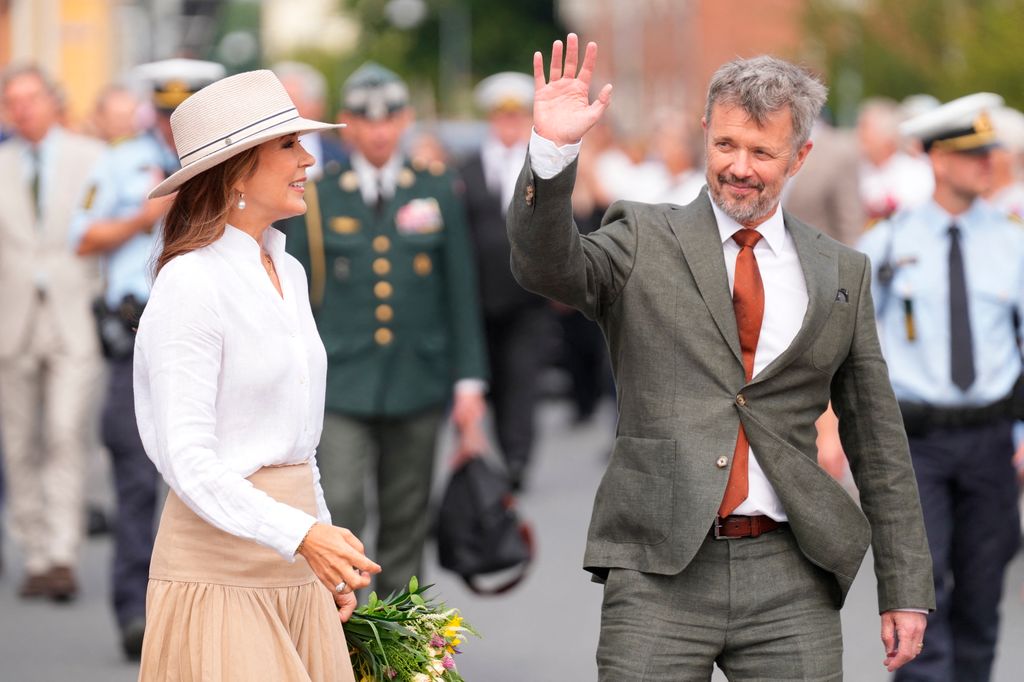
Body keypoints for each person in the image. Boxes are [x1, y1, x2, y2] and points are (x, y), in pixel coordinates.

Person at [508, 35, 934, 679]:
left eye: (763, 152)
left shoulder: (841, 272)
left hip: (792, 575)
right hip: (657, 568)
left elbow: (878, 440)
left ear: (800, 157)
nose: (740, 166)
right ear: (706, 131)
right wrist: (552, 152)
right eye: (726, 144)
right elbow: (548, 268)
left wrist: (905, 588)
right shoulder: (641, 237)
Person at [132, 69, 380, 681]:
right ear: (239, 167)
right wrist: (301, 535)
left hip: (293, 563)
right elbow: (187, 460)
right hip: (220, 574)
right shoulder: (190, 283)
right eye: (288, 145)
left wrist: (322, 548)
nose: (309, 159)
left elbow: (297, 444)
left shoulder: (286, 269)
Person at [282, 62, 489, 598]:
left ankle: (400, 653)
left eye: (390, 118)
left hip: (416, 379)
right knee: (342, 507)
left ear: (405, 120)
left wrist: (470, 382)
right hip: (342, 382)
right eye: (366, 120)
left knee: (406, 519)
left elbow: (460, 291)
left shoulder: (436, 188)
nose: (378, 131)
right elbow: (296, 297)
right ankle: (342, 643)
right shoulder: (319, 196)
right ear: (346, 123)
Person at [858, 92, 1023, 682]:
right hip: (915, 446)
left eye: (991, 152)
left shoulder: (1013, 241)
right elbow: (852, 349)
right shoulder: (886, 244)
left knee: (981, 597)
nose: (989, 163)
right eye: (974, 153)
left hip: (991, 441)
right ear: (938, 160)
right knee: (919, 598)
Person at [70, 58, 224, 659]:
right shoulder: (116, 161)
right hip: (134, 335)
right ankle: (137, 613)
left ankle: (203, 611)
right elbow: (82, 238)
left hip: (207, 338)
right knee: (136, 482)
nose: (169, 125)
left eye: (180, 114)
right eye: (163, 113)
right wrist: (143, 215)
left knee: (207, 476)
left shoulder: (222, 162)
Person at [0, 64, 106, 602]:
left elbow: (109, 226)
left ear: (52, 101)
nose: (22, 109)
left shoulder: (89, 158)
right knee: (20, 443)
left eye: (31, 98)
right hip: (11, 323)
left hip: (71, 317)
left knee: (66, 433)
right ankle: (35, 554)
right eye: (11, 101)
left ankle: (64, 553)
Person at [459, 71, 552, 490]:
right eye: (502, 116)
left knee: (522, 379)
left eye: (517, 117)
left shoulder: (542, 167)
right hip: (478, 296)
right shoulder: (467, 167)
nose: (509, 125)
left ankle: (518, 457)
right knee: (491, 379)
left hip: (527, 295)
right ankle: (502, 448)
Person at [857, 97, 934, 221]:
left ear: (887, 138)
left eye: (865, 127)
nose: (859, 134)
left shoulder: (918, 174)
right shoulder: (853, 171)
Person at [272, 60, 349, 181]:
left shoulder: (341, 155)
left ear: (317, 106)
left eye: (293, 100)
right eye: (279, 101)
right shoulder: (258, 154)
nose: (284, 110)